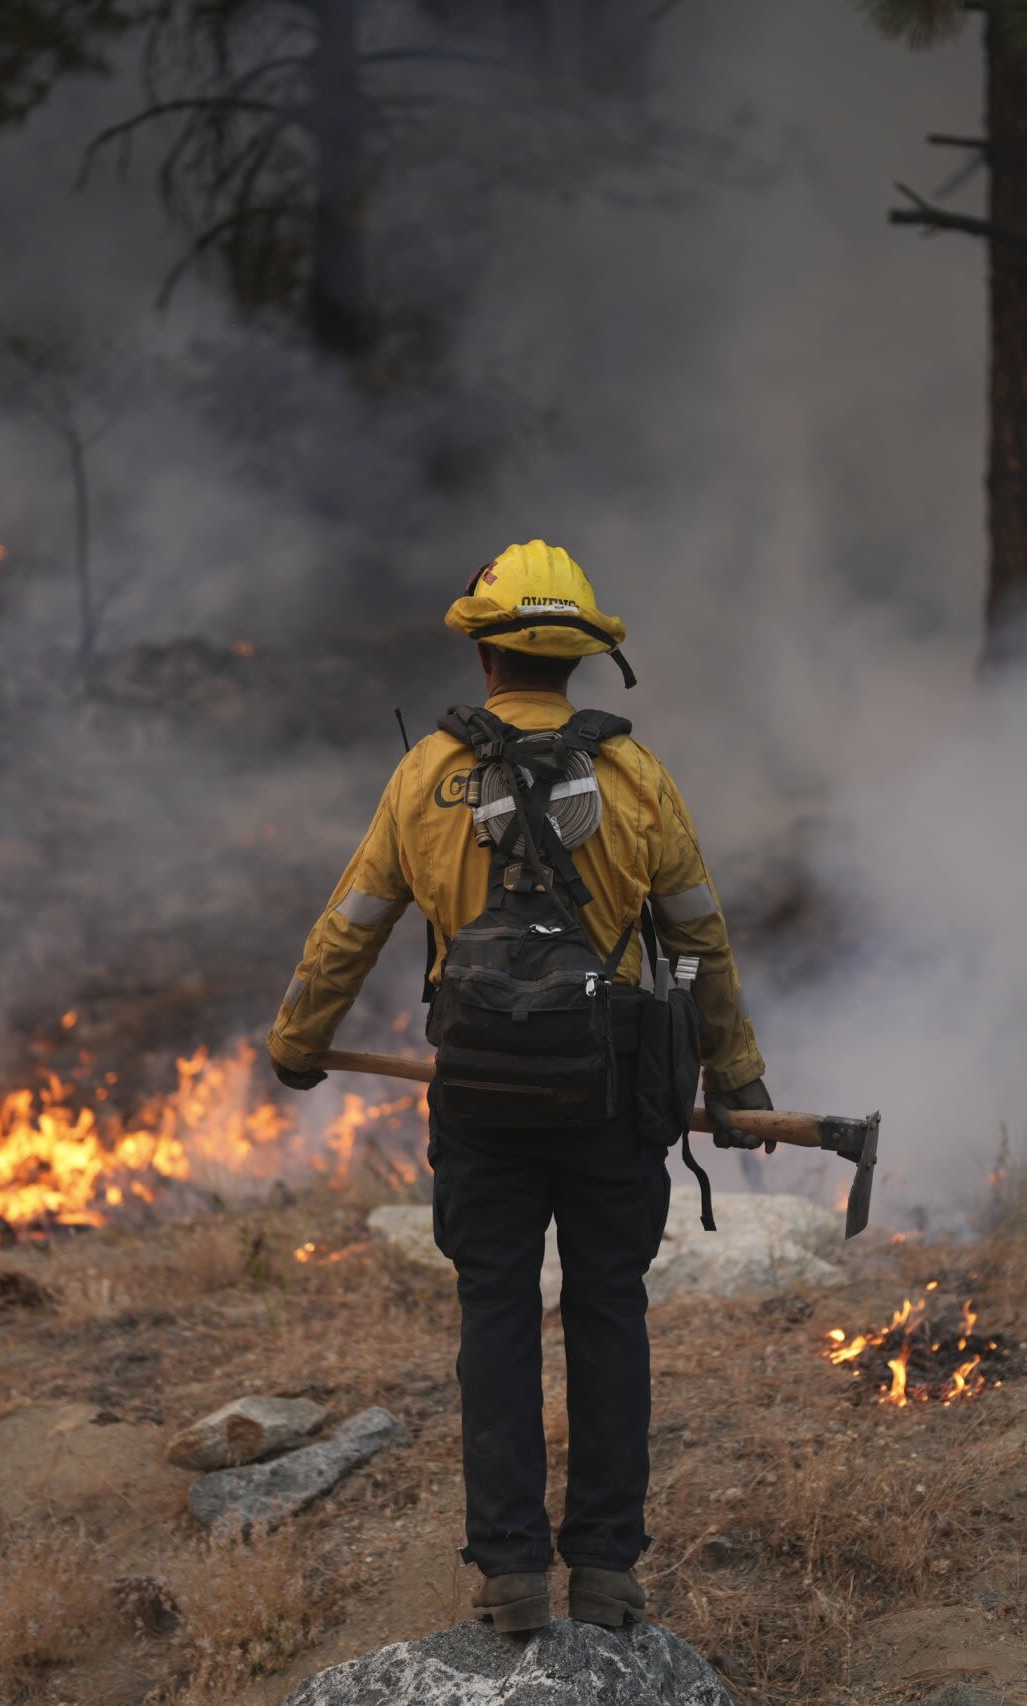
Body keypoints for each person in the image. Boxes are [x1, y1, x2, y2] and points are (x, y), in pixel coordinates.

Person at [265, 540, 773, 1633]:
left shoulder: (426, 777)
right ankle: (606, 1572)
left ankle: (508, 1574)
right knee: (607, 1310)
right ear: (581, 662)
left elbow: (351, 924)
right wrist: (735, 1074)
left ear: (486, 654)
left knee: (493, 1310)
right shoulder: (637, 778)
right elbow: (700, 937)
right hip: (613, 1101)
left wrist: (298, 1038)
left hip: (481, 1103)